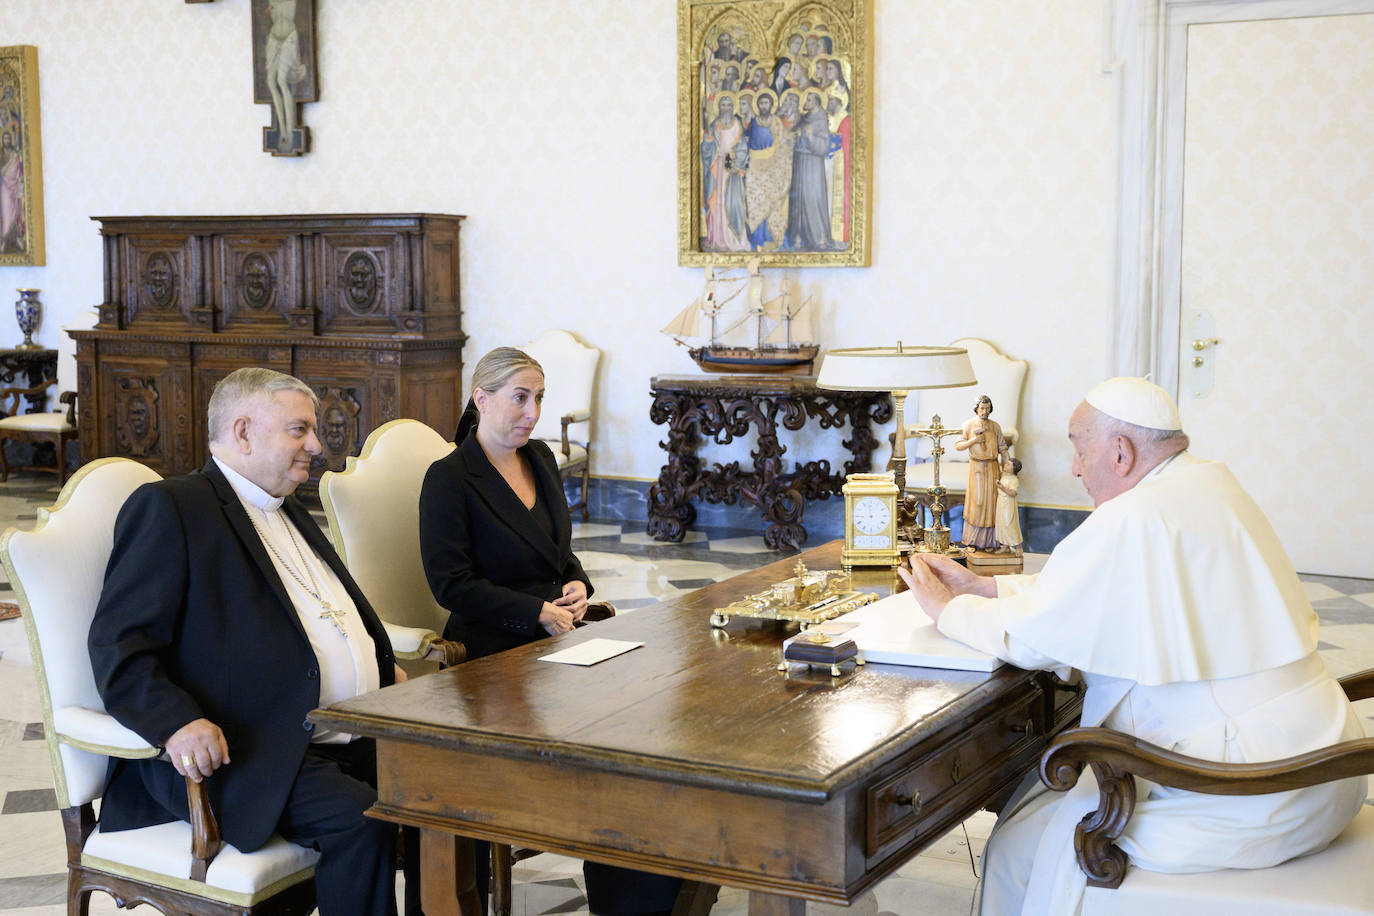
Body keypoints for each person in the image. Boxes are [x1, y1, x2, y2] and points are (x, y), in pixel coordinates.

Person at [898, 376, 1367, 915]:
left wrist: (946, 609)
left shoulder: (1133, 517)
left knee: (1026, 846)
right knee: (1038, 812)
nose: (1074, 468)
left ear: (1120, 452)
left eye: (1078, 448)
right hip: (1330, 764)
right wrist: (991, 587)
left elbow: (1034, 640)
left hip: (1255, 794)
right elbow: (1102, 595)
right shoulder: (1211, 483)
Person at [88, 367, 402, 916]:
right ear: (244, 432)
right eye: (299, 430)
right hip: (250, 749)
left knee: (450, 792)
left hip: (340, 734)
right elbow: (120, 646)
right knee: (363, 818)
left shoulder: (285, 507)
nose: (317, 445)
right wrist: (176, 722)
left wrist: (378, 668)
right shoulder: (173, 506)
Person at [420, 348, 682, 916]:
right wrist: (534, 611)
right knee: (604, 754)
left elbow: (561, 556)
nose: (533, 412)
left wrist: (576, 586)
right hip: (495, 652)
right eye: (520, 397)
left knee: (642, 725)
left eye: (539, 398)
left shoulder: (538, 457)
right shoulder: (449, 479)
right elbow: (452, 586)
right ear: (480, 398)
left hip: (559, 637)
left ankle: (652, 882)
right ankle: (627, 888)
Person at [955, 395, 1006, 550]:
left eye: (988, 408)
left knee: (991, 503)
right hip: (976, 467)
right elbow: (958, 445)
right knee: (977, 503)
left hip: (992, 468)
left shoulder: (995, 426)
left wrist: (1007, 467)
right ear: (976, 408)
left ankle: (991, 542)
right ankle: (973, 541)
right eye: (982, 408)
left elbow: (1003, 448)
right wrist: (974, 441)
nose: (985, 411)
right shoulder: (969, 425)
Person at [993, 455, 1022, 553]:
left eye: (1009, 464)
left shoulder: (1014, 480)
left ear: (1013, 468)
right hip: (1001, 502)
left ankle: (1018, 547)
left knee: (1009, 524)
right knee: (1001, 524)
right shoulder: (1004, 476)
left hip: (1008, 505)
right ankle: (1005, 545)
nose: (1006, 465)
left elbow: (1013, 493)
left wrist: (1002, 488)